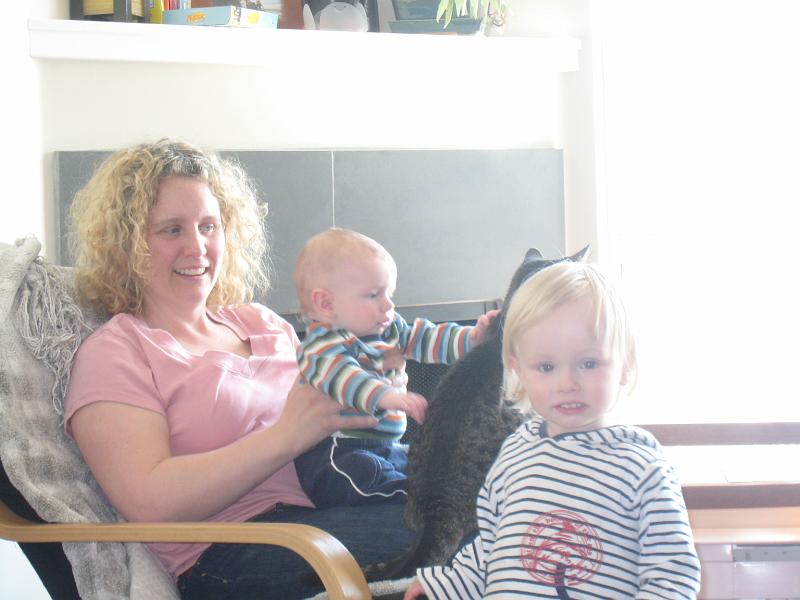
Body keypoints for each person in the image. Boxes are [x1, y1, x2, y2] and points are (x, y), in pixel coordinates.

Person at [62, 139, 416, 600]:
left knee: (482, 491)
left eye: (208, 226)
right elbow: (149, 501)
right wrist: (286, 436)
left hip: (334, 500)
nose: (197, 246)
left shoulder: (262, 322)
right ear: (127, 244)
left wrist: (377, 397)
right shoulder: (118, 352)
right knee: (466, 523)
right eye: (172, 230)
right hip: (234, 550)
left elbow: (330, 427)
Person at [403, 261, 702, 599]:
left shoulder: (643, 468)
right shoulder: (514, 452)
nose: (567, 383)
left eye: (588, 363)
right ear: (517, 369)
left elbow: (672, 577)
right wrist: (448, 583)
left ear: (625, 366)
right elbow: (490, 544)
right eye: (546, 366)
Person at [292, 228, 496, 507]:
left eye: (389, 293)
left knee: (428, 464)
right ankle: (418, 503)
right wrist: (389, 397)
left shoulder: (388, 328)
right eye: (373, 295)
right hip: (337, 454)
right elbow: (346, 378)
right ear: (326, 303)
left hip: (388, 448)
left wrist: (472, 339)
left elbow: (425, 337)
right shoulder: (320, 346)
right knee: (369, 477)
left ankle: (449, 494)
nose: (388, 304)